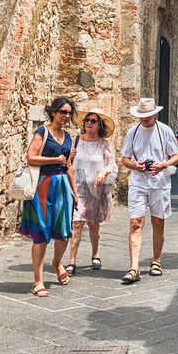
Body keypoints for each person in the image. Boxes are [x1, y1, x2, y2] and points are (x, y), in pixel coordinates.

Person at [19, 96, 78, 297]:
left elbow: (68, 166)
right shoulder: (42, 132)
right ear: (53, 112)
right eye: (62, 112)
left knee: (64, 230)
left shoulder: (68, 136)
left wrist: (75, 193)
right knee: (42, 232)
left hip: (62, 185)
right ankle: (38, 280)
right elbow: (31, 157)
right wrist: (55, 158)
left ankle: (57, 262)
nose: (66, 116)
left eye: (69, 112)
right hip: (43, 184)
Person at [120, 97, 178, 283]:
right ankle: (134, 267)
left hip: (160, 182)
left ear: (154, 114)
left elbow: (177, 155)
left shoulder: (165, 131)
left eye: (147, 115)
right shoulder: (133, 132)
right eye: (141, 116)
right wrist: (135, 165)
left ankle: (156, 260)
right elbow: (124, 158)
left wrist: (164, 164)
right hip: (138, 182)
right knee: (135, 223)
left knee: (158, 221)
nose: (144, 119)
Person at [66, 108, 117, 274]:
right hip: (77, 189)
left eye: (93, 121)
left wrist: (103, 172)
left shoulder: (104, 144)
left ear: (99, 125)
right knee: (76, 224)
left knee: (94, 224)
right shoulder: (75, 141)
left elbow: (112, 165)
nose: (89, 123)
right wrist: (69, 156)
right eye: (87, 120)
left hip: (96, 191)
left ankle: (95, 254)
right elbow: (67, 165)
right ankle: (72, 260)